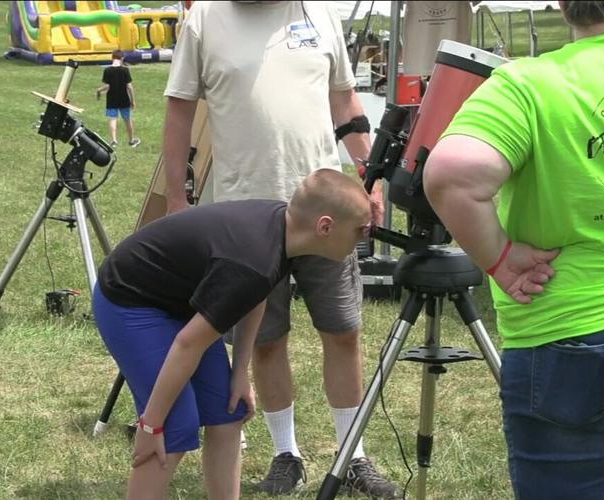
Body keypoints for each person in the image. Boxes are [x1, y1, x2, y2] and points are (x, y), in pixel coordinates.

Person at [424, 1, 604, 498]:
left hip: (574, 332)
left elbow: (453, 174)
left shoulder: (529, 83)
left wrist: (501, 259)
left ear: (565, 7)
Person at [161, 1, 398, 497]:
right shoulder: (205, 18)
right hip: (246, 221)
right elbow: (179, 109)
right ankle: (285, 454)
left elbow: (345, 101)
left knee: (344, 333)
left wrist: (370, 176)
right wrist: (177, 199)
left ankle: (351, 454)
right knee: (265, 341)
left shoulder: (320, 12)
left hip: (327, 212)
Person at [95, 169, 372, 499]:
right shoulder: (254, 257)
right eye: (360, 230)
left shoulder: (282, 233)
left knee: (228, 411)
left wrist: (239, 373)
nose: (363, 238)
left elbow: (254, 296)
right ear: (325, 227)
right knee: (173, 424)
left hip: (178, 303)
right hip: (129, 302)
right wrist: (150, 424)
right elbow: (187, 344)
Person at [96, 50, 140, 148]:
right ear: (122, 58)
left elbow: (107, 86)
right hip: (124, 98)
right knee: (127, 119)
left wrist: (99, 90)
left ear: (112, 58)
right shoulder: (125, 70)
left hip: (111, 98)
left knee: (112, 119)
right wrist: (132, 100)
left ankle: (114, 140)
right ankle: (131, 140)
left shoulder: (107, 70)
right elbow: (129, 86)